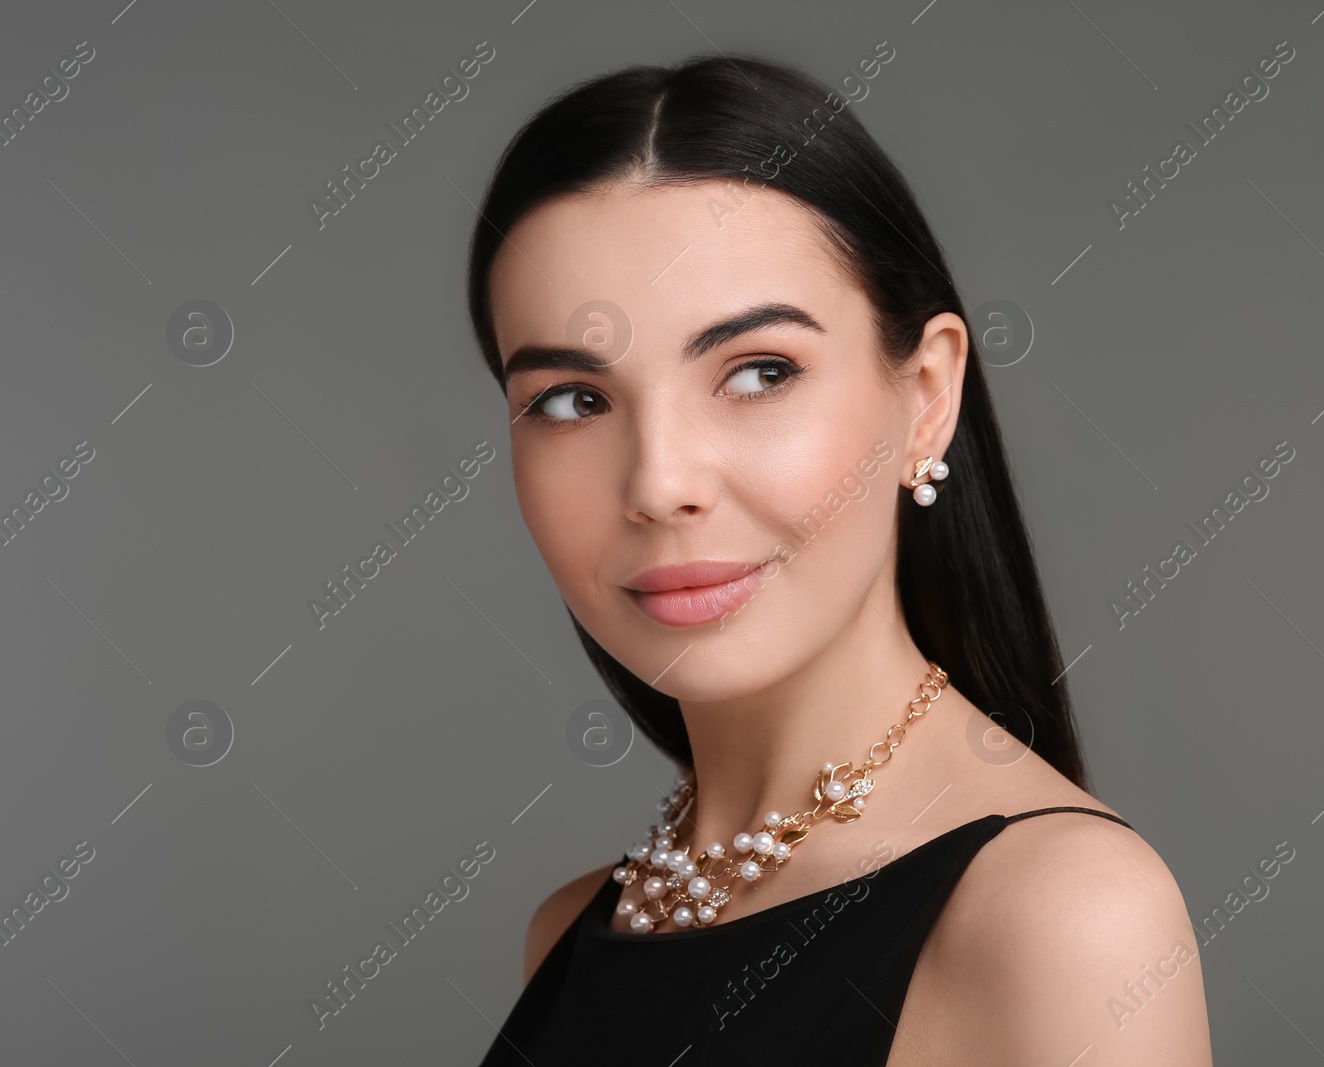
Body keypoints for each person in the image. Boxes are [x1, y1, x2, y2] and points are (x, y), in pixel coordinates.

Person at [465, 51, 1212, 1066]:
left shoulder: (1059, 916)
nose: (658, 482)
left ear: (926, 396)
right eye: (571, 399)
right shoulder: (574, 931)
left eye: (759, 371)